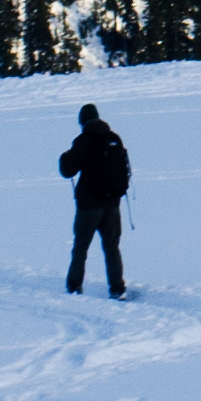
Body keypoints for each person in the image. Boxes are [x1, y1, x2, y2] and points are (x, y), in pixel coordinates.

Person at [59, 101, 132, 297]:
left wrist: (64, 157)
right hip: (113, 203)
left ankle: (74, 287)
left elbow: (67, 170)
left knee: (81, 247)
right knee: (112, 248)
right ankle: (117, 288)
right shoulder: (113, 138)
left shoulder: (83, 140)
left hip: (89, 205)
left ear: (82, 121)